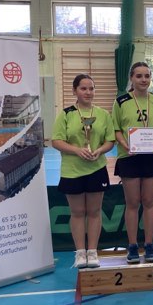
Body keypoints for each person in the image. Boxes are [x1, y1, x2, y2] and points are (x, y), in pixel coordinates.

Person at [51, 73, 116, 269]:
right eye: (83, 88)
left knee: (94, 212)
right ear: (75, 91)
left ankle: (92, 251)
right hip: (72, 171)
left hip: (96, 168)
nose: (88, 92)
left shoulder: (103, 114)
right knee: (77, 212)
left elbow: (110, 140)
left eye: (91, 88)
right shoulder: (66, 114)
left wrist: (100, 151)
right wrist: (77, 150)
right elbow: (56, 141)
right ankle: (80, 252)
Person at [112, 62, 153, 264]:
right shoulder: (121, 102)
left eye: (147, 76)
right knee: (133, 203)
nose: (143, 80)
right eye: (139, 76)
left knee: (149, 201)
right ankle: (133, 245)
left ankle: (149, 244)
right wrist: (125, 145)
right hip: (129, 157)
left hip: (151, 157)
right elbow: (116, 129)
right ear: (131, 78)